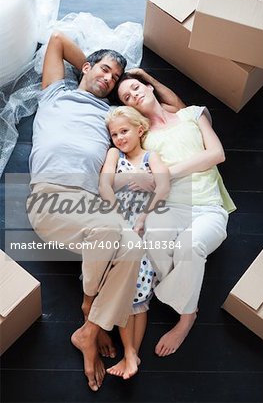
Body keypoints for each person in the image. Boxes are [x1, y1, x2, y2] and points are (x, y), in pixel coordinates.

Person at [26, 32, 185, 391]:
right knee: (114, 232)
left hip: (88, 206)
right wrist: (96, 68)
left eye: (114, 77)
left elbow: (175, 110)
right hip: (50, 198)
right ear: (85, 67)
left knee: (130, 244)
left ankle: (90, 327)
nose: (109, 78)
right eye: (105, 70)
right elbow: (57, 40)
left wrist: (136, 84)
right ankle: (89, 310)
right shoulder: (56, 92)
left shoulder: (111, 114)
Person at [115, 72, 236, 358]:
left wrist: (166, 172)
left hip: (208, 207)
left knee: (189, 246)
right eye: (127, 98)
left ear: (148, 86)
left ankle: (187, 317)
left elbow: (217, 153)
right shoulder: (143, 140)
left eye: (135, 88)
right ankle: (182, 284)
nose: (134, 95)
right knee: (152, 240)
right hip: (170, 207)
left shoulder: (192, 115)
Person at [99, 106, 169, 379]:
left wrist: (142, 219)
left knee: (138, 294)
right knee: (121, 290)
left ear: (140, 130)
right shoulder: (115, 155)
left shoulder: (152, 157)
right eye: (114, 134)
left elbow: (163, 186)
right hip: (119, 225)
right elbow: (105, 184)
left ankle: (130, 354)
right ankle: (132, 355)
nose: (118, 138)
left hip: (145, 226)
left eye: (124, 131)